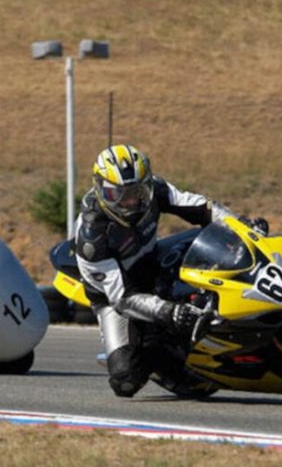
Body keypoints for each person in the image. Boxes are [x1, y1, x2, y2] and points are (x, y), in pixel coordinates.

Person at [75, 145, 237, 397]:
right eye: (117, 194)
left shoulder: (156, 191)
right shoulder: (92, 238)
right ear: (101, 190)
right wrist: (170, 311)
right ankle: (155, 354)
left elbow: (202, 208)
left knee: (213, 245)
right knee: (125, 381)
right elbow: (123, 298)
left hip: (153, 260)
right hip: (115, 296)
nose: (130, 201)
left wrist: (240, 226)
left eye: (137, 191)